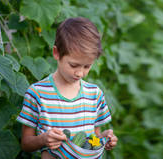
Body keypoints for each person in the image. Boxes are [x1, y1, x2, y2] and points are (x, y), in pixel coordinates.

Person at [16, 17, 118, 159]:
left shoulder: (95, 94)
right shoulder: (37, 93)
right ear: (56, 53)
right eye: (73, 65)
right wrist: (43, 139)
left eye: (87, 66)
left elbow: (94, 138)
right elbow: (26, 144)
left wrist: (104, 138)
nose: (80, 73)